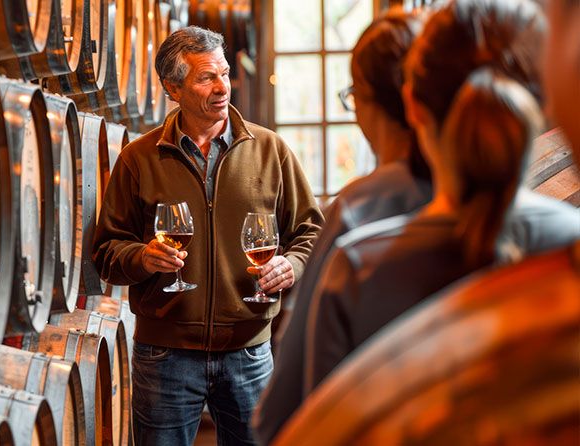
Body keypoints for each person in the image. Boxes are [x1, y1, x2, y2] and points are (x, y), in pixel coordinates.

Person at [300, 0, 580, 397]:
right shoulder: (570, 245)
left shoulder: (360, 270)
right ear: (543, 99)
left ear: (412, 105)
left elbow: (293, 425)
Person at [92, 26, 323, 445]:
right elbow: (106, 251)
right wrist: (142, 258)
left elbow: (311, 231)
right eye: (206, 78)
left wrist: (291, 265)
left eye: (224, 73)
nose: (222, 87)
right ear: (173, 88)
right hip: (165, 356)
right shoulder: (138, 158)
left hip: (250, 352)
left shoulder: (271, 150)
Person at [253, 9, 429, 444]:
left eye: (352, 97)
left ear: (371, 104)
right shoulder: (508, 200)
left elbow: (283, 411)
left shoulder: (356, 211)